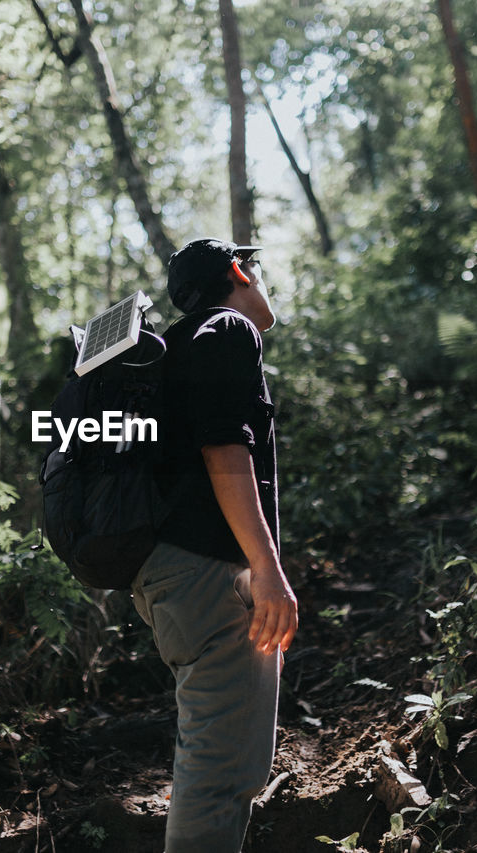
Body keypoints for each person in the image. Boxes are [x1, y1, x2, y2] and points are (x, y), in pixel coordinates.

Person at [130, 237, 299, 853]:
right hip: (207, 575)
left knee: (220, 758)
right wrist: (267, 569)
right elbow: (224, 450)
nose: (260, 280)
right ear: (236, 272)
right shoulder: (228, 328)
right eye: (254, 267)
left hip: (167, 576)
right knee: (221, 771)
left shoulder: (171, 349)